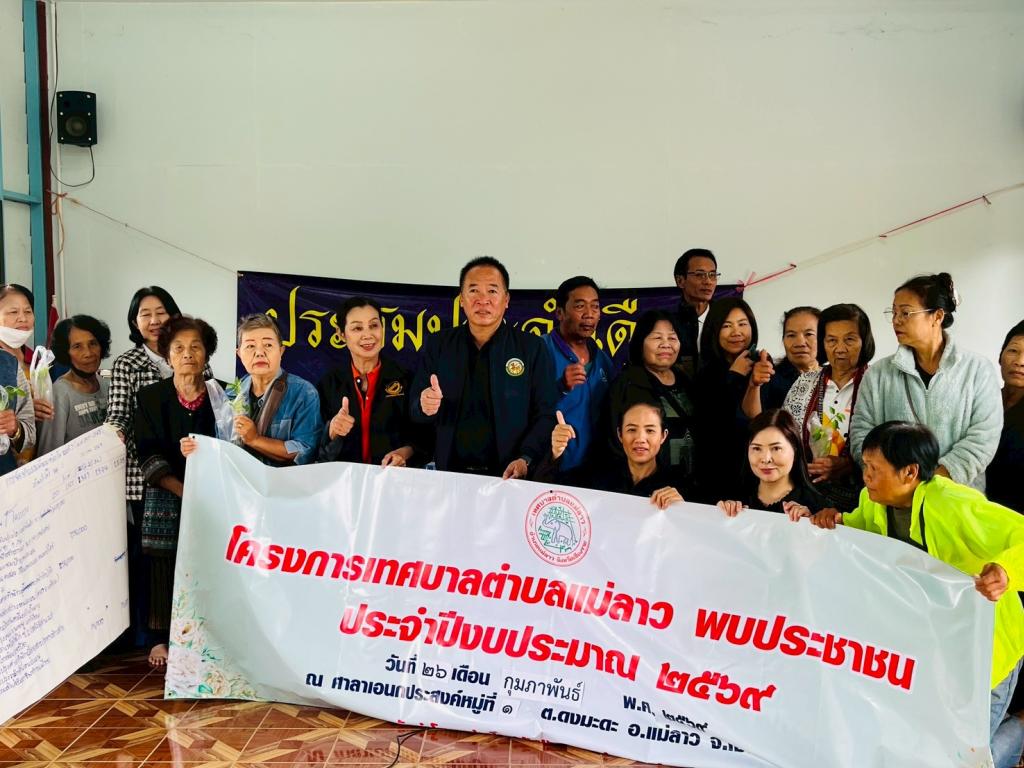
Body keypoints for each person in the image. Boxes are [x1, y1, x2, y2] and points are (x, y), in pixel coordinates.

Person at [808, 421, 1024, 768]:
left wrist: (1005, 571)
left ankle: (1018, 730)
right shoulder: (873, 500)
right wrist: (835, 521)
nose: (865, 476)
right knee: (933, 745)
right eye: (865, 465)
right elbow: (861, 527)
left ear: (910, 472)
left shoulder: (955, 504)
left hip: (987, 650)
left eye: (875, 469)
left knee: (967, 754)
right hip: (935, 651)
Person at [105, 286, 204, 649]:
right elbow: (118, 415)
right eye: (145, 314)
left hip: (194, 470)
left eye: (160, 312)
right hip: (144, 476)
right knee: (151, 559)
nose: (154, 320)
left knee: (195, 555)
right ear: (135, 322)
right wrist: (114, 433)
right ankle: (152, 636)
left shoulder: (195, 355)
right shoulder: (128, 363)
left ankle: (192, 629)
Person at [850, 273, 1002, 491]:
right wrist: (898, 481)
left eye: (905, 313)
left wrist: (935, 483)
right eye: (893, 312)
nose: (896, 320)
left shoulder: (977, 370)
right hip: (894, 496)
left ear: (937, 316)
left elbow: (984, 437)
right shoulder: (878, 374)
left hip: (957, 497)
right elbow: (861, 433)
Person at [411, 256, 557, 479]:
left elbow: (546, 414)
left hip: (510, 475)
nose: (483, 300)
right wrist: (424, 406)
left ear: (506, 299)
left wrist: (526, 458)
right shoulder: (439, 344)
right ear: (461, 299)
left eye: (492, 291)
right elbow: (414, 409)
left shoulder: (531, 347)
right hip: (450, 475)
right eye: (473, 291)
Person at [134, 316, 222, 668]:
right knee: (161, 564)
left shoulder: (222, 394)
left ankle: (206, 633)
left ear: (207, 353)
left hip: (214, 496)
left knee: (211, 562)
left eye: (196, 347)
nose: (188, 354)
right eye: (179, 348)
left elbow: (232, 445)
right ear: (168, 356)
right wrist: (182, 490)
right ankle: (160, 638)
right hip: (166, 491)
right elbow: (146, 452)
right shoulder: (150, 396)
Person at [782, 303, 874, 510]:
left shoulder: (877, 383)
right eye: (831, 340)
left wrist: (849, 465)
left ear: (864, 341)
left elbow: (888, 444)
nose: (840, 348)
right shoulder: (805, 382)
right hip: (804, 499)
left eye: (849, 339)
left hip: (863, 502)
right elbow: (785, 434)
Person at [317, 297, 421, 466]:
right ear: (341, 334)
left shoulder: (405, 378)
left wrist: (403, 454)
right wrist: (332, 430)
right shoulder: (329, 384)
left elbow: (423, 438)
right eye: (357, 328)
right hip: (345, 479)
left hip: (392, 478)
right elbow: (313, 447)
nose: (368, 335)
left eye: (374, 325)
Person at [605, 310, 696, 479]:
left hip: (688, 484)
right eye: (657, 338)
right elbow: (615, 442)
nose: (666, 344)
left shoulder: (686, 381)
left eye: (672, 338)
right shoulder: (627, 384)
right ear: (640, 343)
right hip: (649, 484)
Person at [540, 276, 615, 478]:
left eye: (595, 307)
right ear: (560, 313)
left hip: (596, 471)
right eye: (580, 306)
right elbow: (521, 407)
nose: (589, 314)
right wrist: (561, 386)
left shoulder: (603, 359)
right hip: (550, 469)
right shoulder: (539, 350)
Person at [546, 400, 684, 510]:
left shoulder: (678, 487)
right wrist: (555, 454)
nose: (640, 439)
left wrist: (683, 509)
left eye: (650, 430)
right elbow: (550, 492)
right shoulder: (597, 476)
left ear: (663, 436)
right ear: (620, 434)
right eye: (631, 430)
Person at [692, 297, 761, 501]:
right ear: (714, 330)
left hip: (758, 473)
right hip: (716, 476)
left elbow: (762, 421)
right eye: (727, 326)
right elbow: (712, 426)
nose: (736, 332)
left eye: (742, 324)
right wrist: (734, 376)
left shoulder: (762, 368)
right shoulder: (704, 375)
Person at [232, 314, 321, 466]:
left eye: (268, 345)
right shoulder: (232, 394)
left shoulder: (304, 393)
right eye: (250, 346)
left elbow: (305, 450)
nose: (259, 353)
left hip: (285, 480)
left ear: (281, 351)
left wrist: (255, 440)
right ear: (239, 354)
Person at [717, 409, 824, 518]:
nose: (766, 459)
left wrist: (808, 523)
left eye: (776, 448)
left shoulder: (818, 508)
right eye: (757, 448)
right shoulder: (734, 500)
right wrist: (721, 514)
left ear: (795, 451)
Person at [35, 315, 112, 456]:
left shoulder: (108, 386)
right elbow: (49, 455)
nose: (88, 353)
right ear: (65, 353)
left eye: (93, 343)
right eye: (77, 346)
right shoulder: (59, 394)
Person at [748, 306, 821, 415]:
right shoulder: (769, 377)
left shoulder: (834, 377)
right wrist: (754, 386)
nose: (800, 343)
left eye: (809, 334)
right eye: (791, 335)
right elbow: (754, 418)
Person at [988, 320, 1024, 513]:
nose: (1020, 361)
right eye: (1013, 350)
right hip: (974, 508)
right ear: (1000, 356)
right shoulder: (982, 399)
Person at [0, 284, 36, 475]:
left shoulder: (10, 365)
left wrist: (15, 429)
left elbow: (30, 433)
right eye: (13, 312)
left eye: (28, 311)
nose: (22, 318)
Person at [673, 248, 719, 378]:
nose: (708, 281)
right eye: (699, 275)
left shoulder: (724, 318)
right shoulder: (668, 322)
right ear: (680, 281)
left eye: (712, 275)